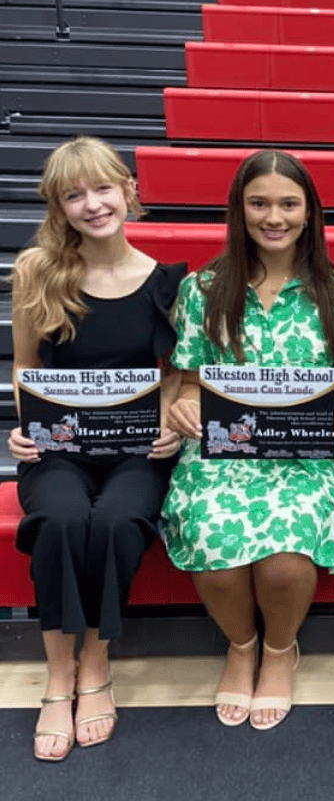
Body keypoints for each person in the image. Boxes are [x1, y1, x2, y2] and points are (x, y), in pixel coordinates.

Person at [162, 149, 334, 731]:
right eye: (259, 203)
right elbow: (188, 380)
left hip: (311, 456)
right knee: (214, 548)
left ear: (309, 213)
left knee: (283, 564)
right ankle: (242, 645)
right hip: (226, 450)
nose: (274, 217)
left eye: (288, 204)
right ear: (239, 209)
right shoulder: (203, 288)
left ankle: (280, 650)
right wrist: (184, 404)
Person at [8, 137, 185, 761]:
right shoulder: (37, 272)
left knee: (114, 520)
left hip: (137, 450)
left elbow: (176, 375)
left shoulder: (167, 282)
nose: (92, 204)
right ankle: (59, 677)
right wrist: (26, 426)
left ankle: (96, 661)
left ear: (129, 191)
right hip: (59, 450)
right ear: (58, 207)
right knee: (60, 519)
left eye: (103, 188)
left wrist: (169, 421)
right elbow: (25, 366)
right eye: (73, 195)